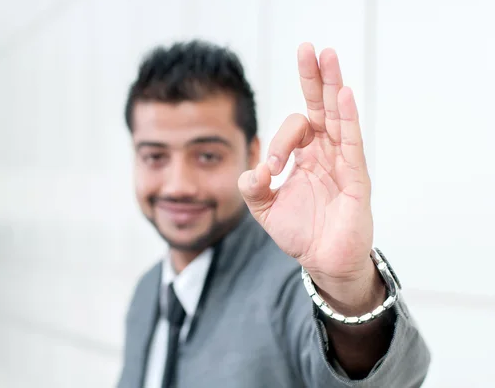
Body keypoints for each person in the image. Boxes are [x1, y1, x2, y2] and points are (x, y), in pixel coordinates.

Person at [117, 40, 430, 388]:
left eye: (207, 156)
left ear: (252, 153)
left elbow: (389, 379)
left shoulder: (294, 285)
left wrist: (348, 290)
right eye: (155, 157)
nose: (178, 185)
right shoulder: (146, 294)